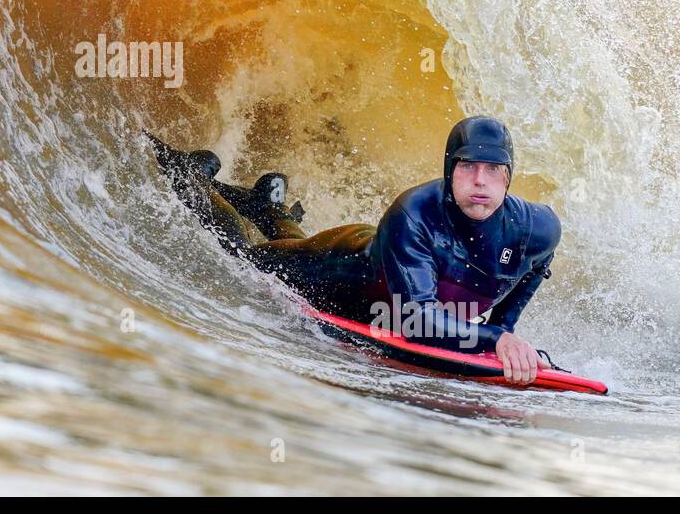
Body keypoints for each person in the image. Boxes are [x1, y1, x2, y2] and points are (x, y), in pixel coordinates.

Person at [148, 116, 561, 384]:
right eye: (468, 166)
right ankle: (192, 177)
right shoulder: (414, 213)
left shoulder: (537, 228)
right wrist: (495, 340)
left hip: (385, 254)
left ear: (509, 179)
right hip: (337, 267)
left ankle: (268, 205)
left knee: (282, 238)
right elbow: (414, 316)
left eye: (494, 171)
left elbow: (538, 265)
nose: (480, 182)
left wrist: (506, 327)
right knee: (245, 254)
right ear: (449, 169)